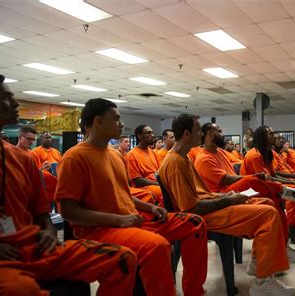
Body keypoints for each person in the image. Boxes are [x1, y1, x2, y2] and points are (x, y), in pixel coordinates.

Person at [0, 72, 137, 295]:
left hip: (36, 248)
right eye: (4, 99)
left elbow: (42, 213)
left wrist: (49, 232)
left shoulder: (22, 158)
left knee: (122, 260)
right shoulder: (67, 155)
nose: (15, 103)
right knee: (23, 290)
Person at [56, 99, 208, 295]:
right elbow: (68, 211)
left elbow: (124, 193)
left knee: (195, 223)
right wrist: (119, 220)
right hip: (99, 230)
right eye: (116, 119)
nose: (121, 124)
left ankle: (194, 290)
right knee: (158, 247)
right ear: (98, 121)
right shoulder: (74, 157)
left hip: (130, 220)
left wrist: (149, 208)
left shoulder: (116, 155)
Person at [159, 114, 295, 296]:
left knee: (267, 202)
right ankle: (262, 282)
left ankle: (258, 261)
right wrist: (229, 200)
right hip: (200, 215)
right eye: (199, 130)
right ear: (186, 134)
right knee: (268, 214)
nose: (201, 134)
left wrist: (228, 195)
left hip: (210, 203)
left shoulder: (184, 158)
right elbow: (190, 208)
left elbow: (202, 193)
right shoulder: (176, 161)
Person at [195, 122, 295, 262]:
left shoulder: (221, 152)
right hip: (222, 195)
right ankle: (282, 190)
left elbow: (239, 165)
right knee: (254, 180)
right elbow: (227, 180)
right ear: (210, 135)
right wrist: (253, 176)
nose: (223, 134)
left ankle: (281, 247)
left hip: (234, 189)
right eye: (220, 131)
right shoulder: (204, 158)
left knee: (274, 202)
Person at [126, 125, 163, 205]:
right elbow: (137, 181)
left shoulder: (153, 153)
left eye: (152, 133)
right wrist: (159, 184)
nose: (152, 135)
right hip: (144, 187)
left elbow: (160, 173)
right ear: (139, 136)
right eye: (148, 133)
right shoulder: (132, 154)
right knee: (164, 193)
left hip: (156, 183)